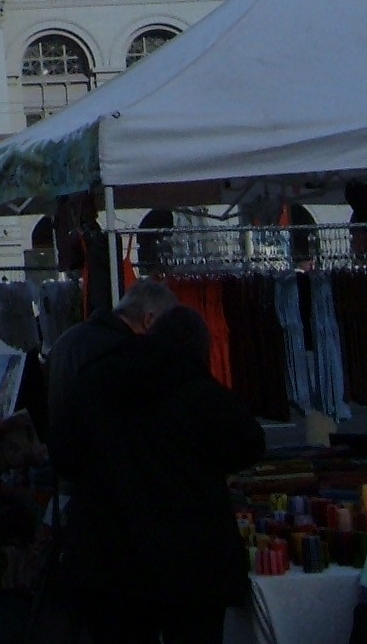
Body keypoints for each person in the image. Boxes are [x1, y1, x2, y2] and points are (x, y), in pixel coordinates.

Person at [60, 303, 265, 644]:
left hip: (110, 561)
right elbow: (250, 444)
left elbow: (66, 454)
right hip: (190, 563)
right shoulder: (200, 392)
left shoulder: (97, 378)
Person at [47, 276, 175, 481]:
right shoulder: (123, 351)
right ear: (149, 320)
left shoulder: (68, 339)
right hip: (104, 478)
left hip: (66, 470)